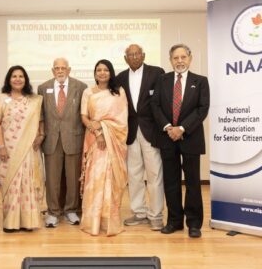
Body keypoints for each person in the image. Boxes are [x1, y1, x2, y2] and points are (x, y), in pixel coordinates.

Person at [151, 44, 210, 238]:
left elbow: (202, 109)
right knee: (171, 181)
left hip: (191, 137)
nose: (180, 61)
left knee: (193, 182)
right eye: (175, 58)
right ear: (170, 60)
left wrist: (182, 128)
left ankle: (194, 223)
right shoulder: (162, 80)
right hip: (167, 138)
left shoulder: (200, 81)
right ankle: (174, 221)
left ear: (190, 59)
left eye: (183, 57)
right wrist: (168, 127)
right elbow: (155, 106)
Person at [116, 44, 165, 231]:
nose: (134, 57)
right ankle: (139, 212)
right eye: (130, 54)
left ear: (143, 55)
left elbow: (163, 100)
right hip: (130, 132)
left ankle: (156, 214)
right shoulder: (120, 77)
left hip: (152, 131)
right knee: (134, 175)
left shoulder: (157, 73)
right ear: (125, 58)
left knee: (154, 174)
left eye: (137, 54)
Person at [0, 65, 45, 232]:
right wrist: (0, 146)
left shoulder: (35, 100)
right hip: (8, 148)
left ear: (26, 79)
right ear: (9, 79)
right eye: (14, 76)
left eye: (21, 76)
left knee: (28, 182)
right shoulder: (0, 99)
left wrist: (41, 135)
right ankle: (11, 222)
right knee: (11, 182)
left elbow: (41, 121)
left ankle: (29, 221)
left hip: (29, 149)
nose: (17, 79)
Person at [80, 59, 128, 236]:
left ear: (111, 72)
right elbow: (84, 117)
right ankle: (93, 221)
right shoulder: (88, 92)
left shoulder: (119, 92)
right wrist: (99, 134)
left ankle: (109, 220)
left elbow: (122, 120)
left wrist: (107, 133)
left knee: (111, 180)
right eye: (98, 70)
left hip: (114, 142)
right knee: (95, 179)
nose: (102, 73)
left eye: (105, 70)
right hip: (94, 140)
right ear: (94, 73)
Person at [37, 58, 87, 227]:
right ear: (52, 70)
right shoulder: (43, 88)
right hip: (51, 140)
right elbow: (41, 115)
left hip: (74, 138)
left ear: (69, 69)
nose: (60, 71)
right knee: (52, 179)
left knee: (73, 178)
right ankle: (53, 212)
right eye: (56, 68)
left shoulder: (80, 87)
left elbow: (85, 113)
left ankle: (71, 210)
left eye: (63, 68)